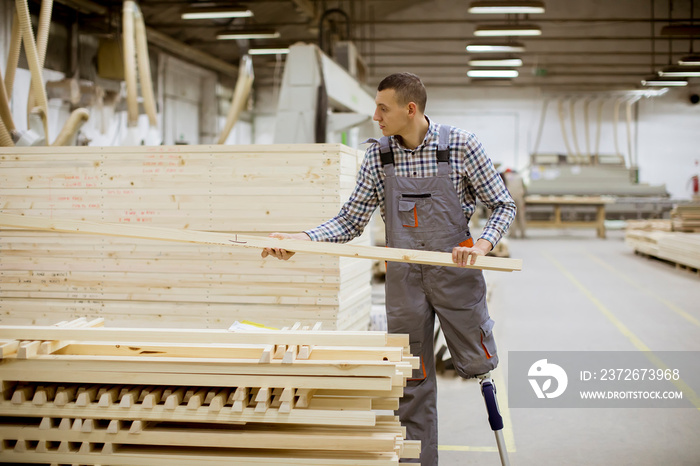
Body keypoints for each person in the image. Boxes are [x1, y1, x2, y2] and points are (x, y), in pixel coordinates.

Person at [261, 72, 515, 465]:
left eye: (383, 108)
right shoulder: (379, 157)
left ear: (409, 109)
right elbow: (350, 221)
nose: (375, 116)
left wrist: (482, 245)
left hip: (455, 273)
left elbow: (502, 204)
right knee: (411, 380)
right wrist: (303, 239)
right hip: (404, 280)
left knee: (480, 367)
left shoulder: (462, 146)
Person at [502, 168, 527, 238]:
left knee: (512, 216)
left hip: (510, 197)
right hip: (520, 196)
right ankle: (523, 233)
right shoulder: (520, 177)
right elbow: (524, 187)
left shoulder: (506, 176)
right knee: (521, 216)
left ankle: (513, 234)